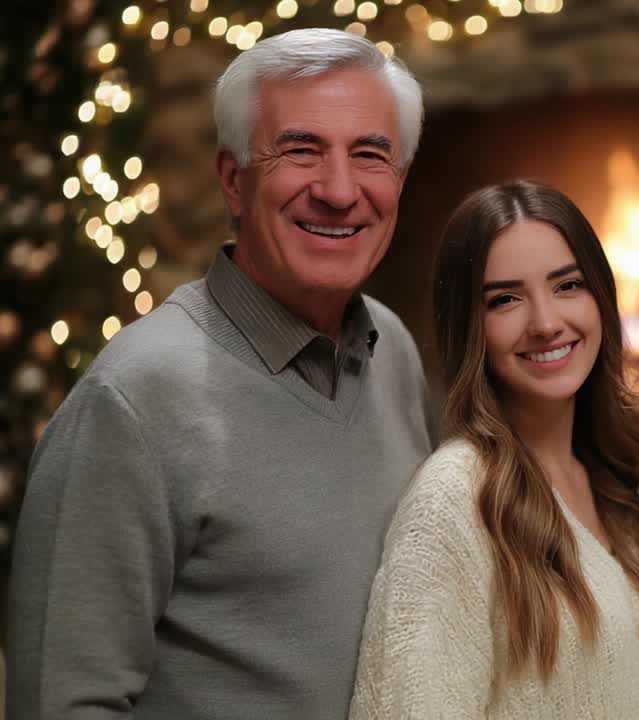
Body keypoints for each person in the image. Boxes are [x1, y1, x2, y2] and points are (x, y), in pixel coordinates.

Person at [6, 28, 432, 719]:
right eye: (301, 150)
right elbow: (63, 702)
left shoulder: (396, 352)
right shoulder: (133, 400)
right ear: (234, 180)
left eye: (370, 155)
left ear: (401, 180)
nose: (338, 189)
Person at [349, 181, 639, 719]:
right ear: (470, 326)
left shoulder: (619, 486)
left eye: (568, 286)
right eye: (506, 299)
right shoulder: (454, 500)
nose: (545, 323)